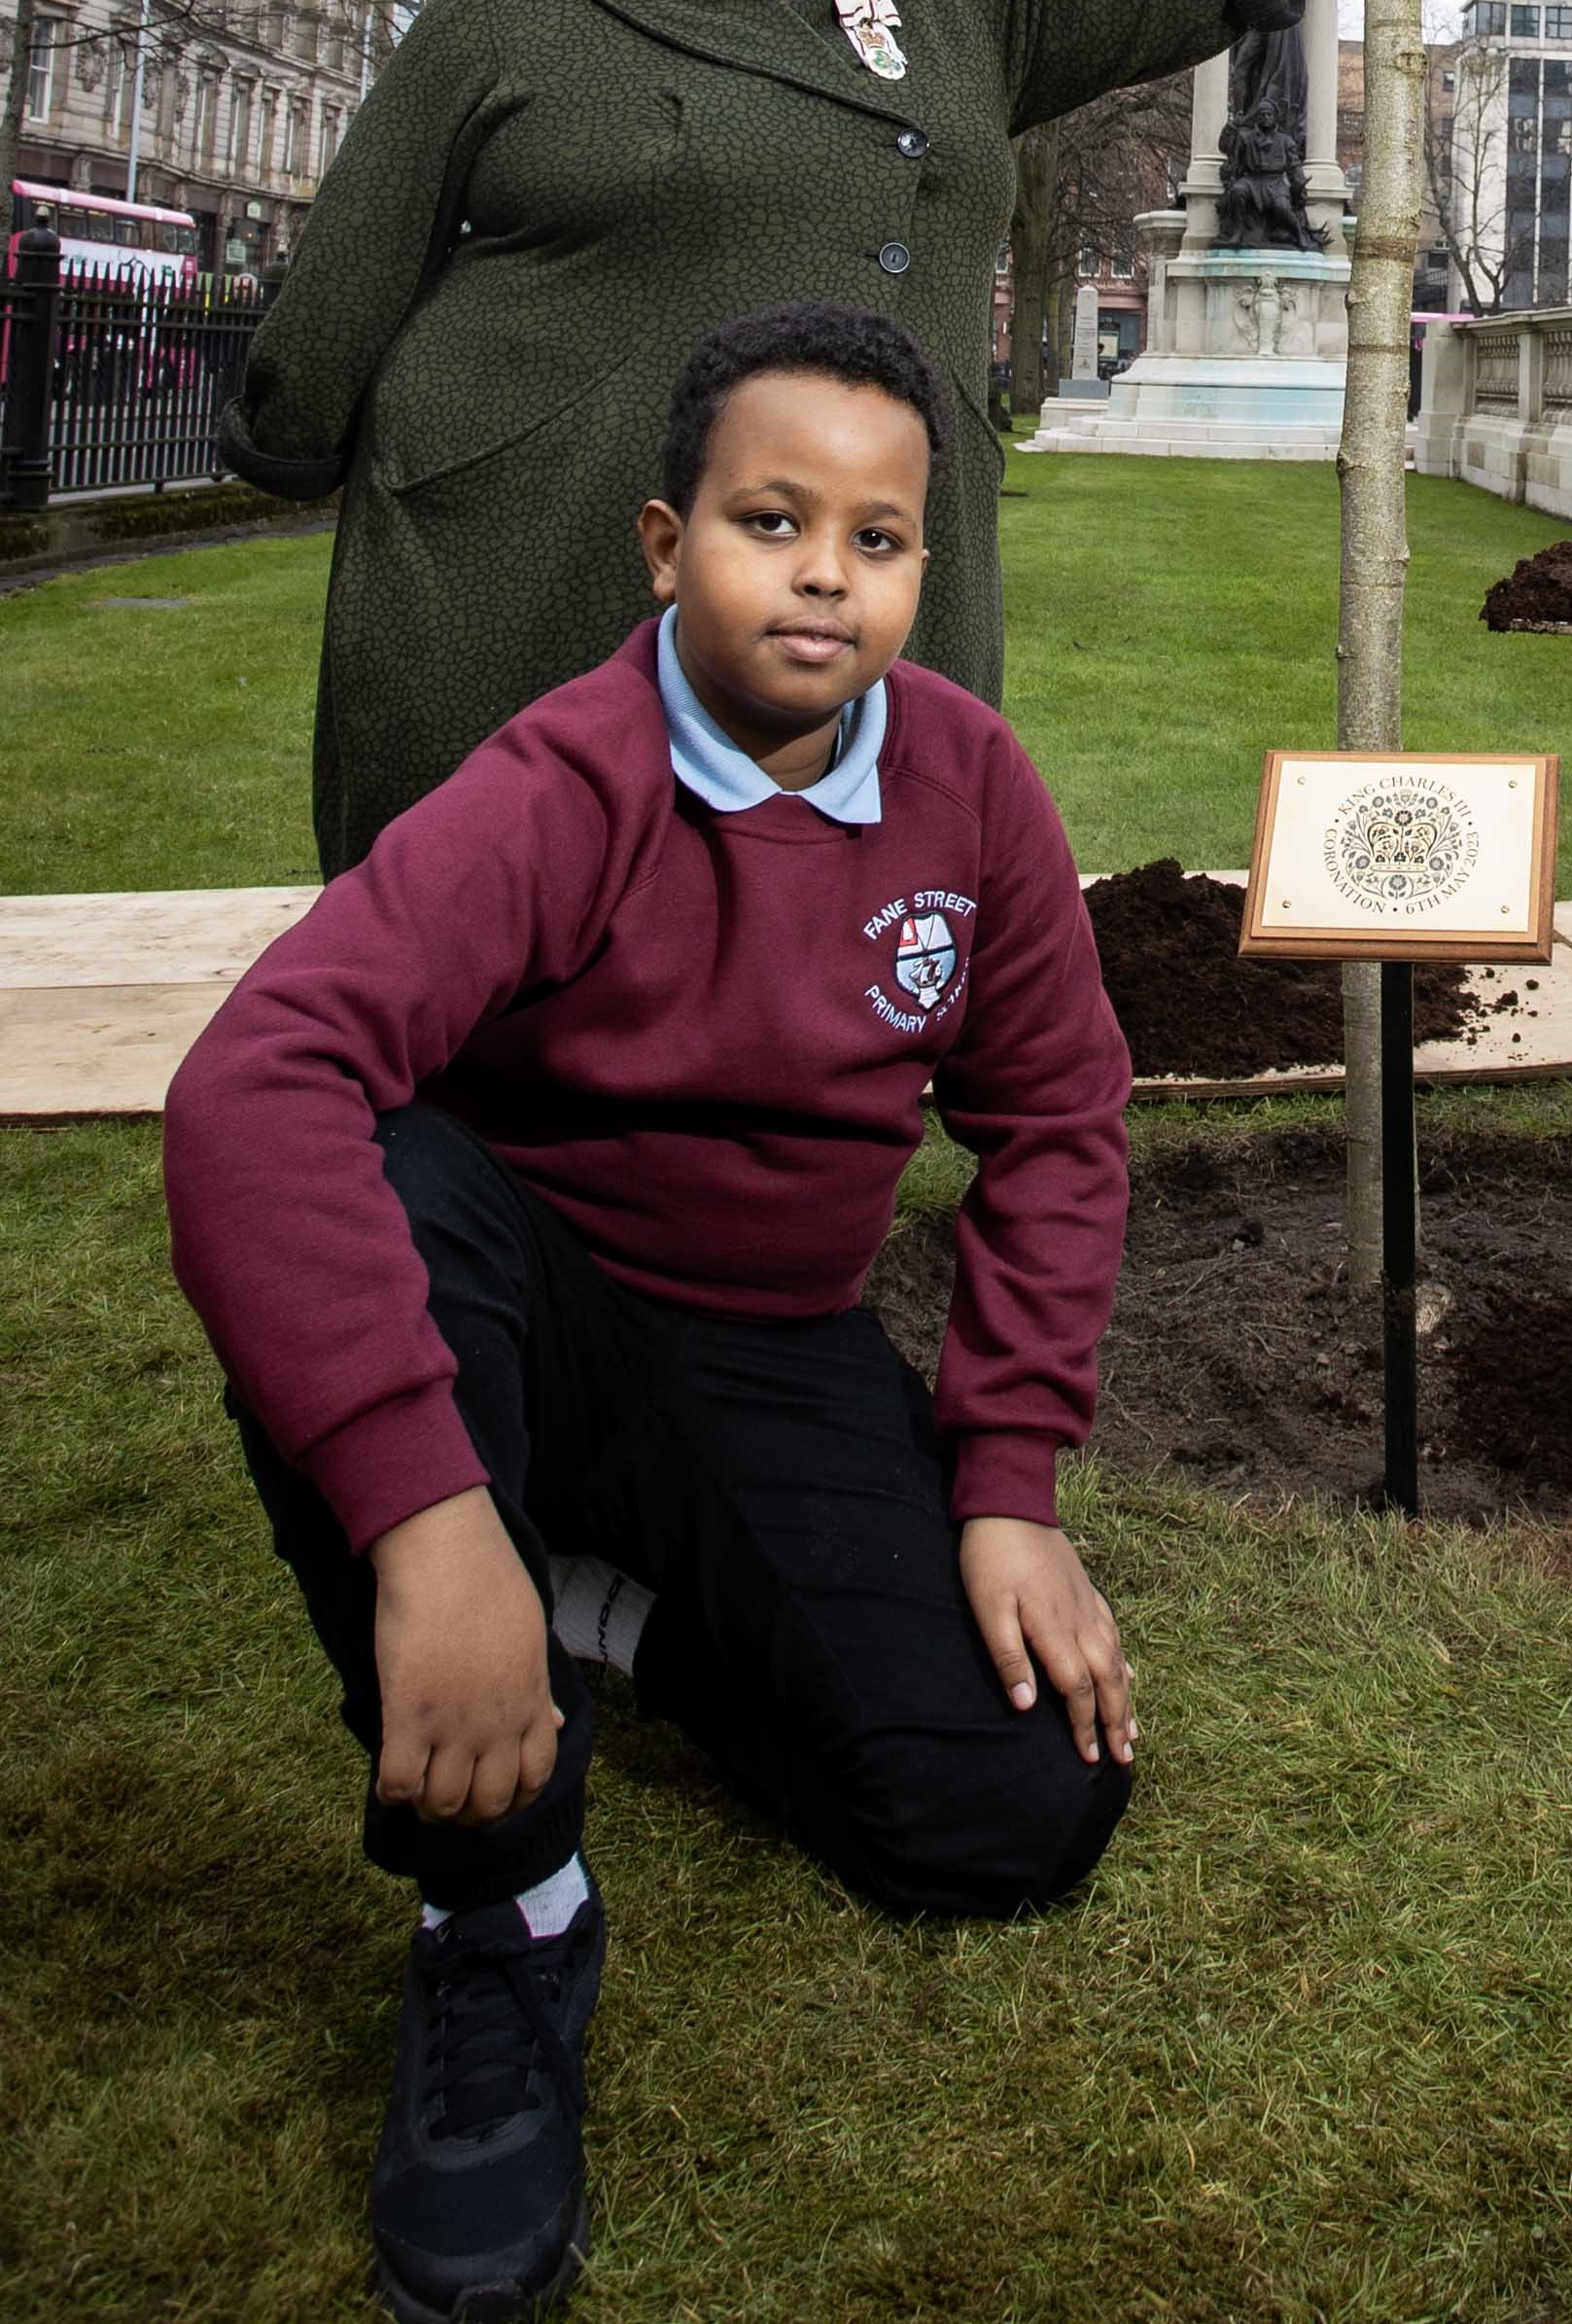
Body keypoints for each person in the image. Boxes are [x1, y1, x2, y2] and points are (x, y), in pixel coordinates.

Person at [165, 301, 1139, 2324]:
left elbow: (1053, 1115)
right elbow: (255, 1083)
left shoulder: (970, 782)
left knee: (1011, 1807)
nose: (824, 571)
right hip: (518, 1298)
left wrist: (1010, 1474)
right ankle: (503, 1912)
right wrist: (428, 1518)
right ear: (660, 541)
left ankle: (603, 1592)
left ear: (921, 568)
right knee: (390, 1176)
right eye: (769, 517)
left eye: (878, 537)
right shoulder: (566, 776)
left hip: (767, 1337)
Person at [223, 0, 1393, 871]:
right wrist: (293, 421)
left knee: (848, 901)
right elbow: (366, 229)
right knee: (531, 903)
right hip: (557, 525)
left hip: (861, 526)